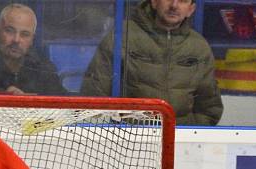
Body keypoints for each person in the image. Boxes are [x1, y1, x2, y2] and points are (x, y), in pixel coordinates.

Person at [80, 0, 223, 126]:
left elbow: (209, 107)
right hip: (127, 140)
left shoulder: (199, 46)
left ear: (191, 9)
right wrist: (119, 132)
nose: (174, 5)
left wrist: (188, 132)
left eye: (182, 1)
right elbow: (95, 93)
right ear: (154, 2)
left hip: (180, 139)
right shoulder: (123, 35)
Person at [0, 3, 67, 95]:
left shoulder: (42, 67)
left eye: (25, 34)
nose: (16, 40)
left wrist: (27, 104)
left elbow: (63, 106)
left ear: (32, 39)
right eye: (9, 31)